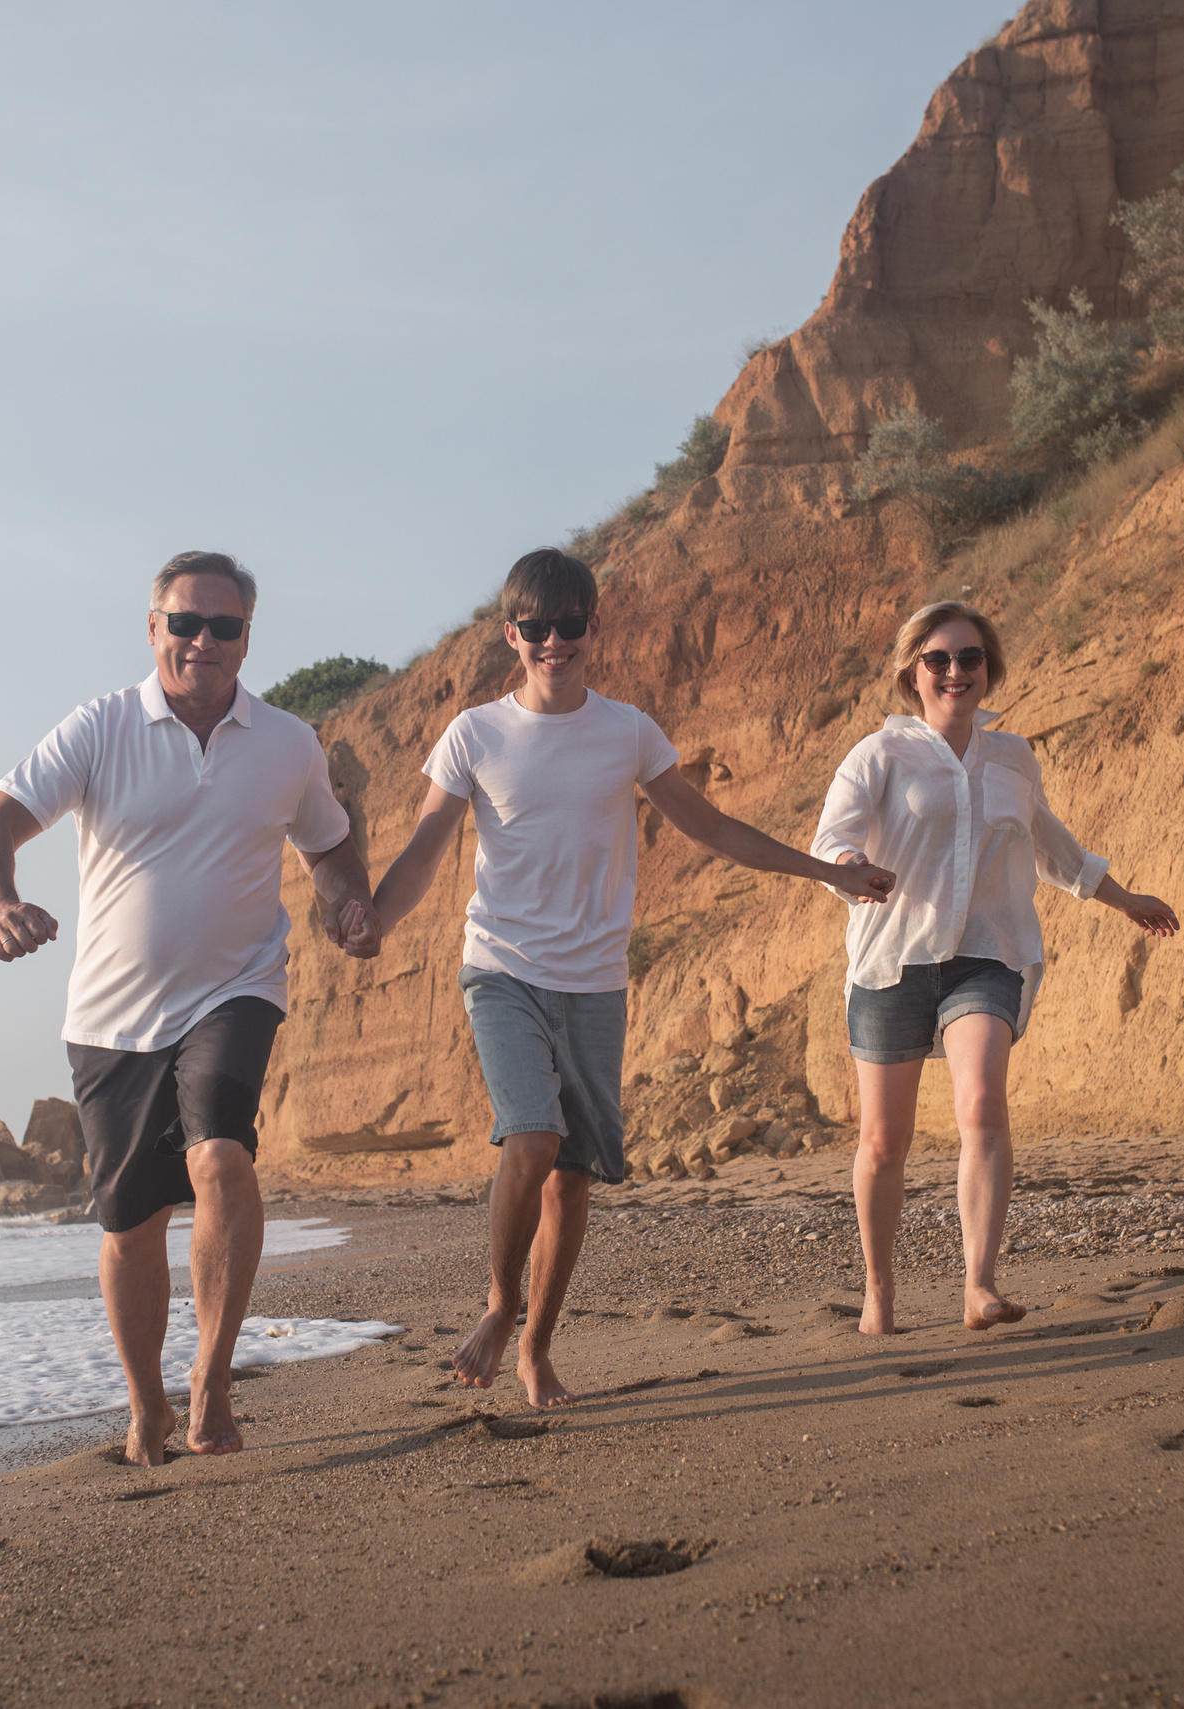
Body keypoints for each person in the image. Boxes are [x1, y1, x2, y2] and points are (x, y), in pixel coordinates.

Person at [364, 548, 895, 1407]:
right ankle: (501, 1305)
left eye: (569, 625)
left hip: (596, 981)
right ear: (512, 634)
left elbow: (713, 828)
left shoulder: (628, 731)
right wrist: (372, 920)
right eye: (535, 628)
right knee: (530, 1141)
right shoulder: (475, 733)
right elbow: (427, 845)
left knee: (574, 1178)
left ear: (593, 628)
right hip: (501, 967)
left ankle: (538, 1347)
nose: (553, 642)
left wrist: (826, 871)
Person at [0, 550, 380, 1465]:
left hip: (236, 988)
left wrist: (347, 904)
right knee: (130, 1226)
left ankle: (213, 1375)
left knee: (223, 1159)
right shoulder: (101, 727)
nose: (202, 641)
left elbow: (330, 847)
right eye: (184, 623)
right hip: (110, 1017)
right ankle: (145, 1401)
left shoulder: (285, 742)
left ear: (246, 638)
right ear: (153, 629)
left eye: (223, 626)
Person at [811, 601, 1179, 1336]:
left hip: (987, 952)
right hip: (893, 958)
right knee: (885, 1139)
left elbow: (1052, 845)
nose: (955, 671)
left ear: (989, 668)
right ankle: (879, 1292)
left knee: (982, 1103)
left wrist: (1123, 896)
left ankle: (980, 1284)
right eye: (938, 659)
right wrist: (853, 866)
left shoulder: (1012, 755)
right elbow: (831, 839)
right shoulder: (878, 755)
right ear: (911, 672)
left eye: (970, 658)